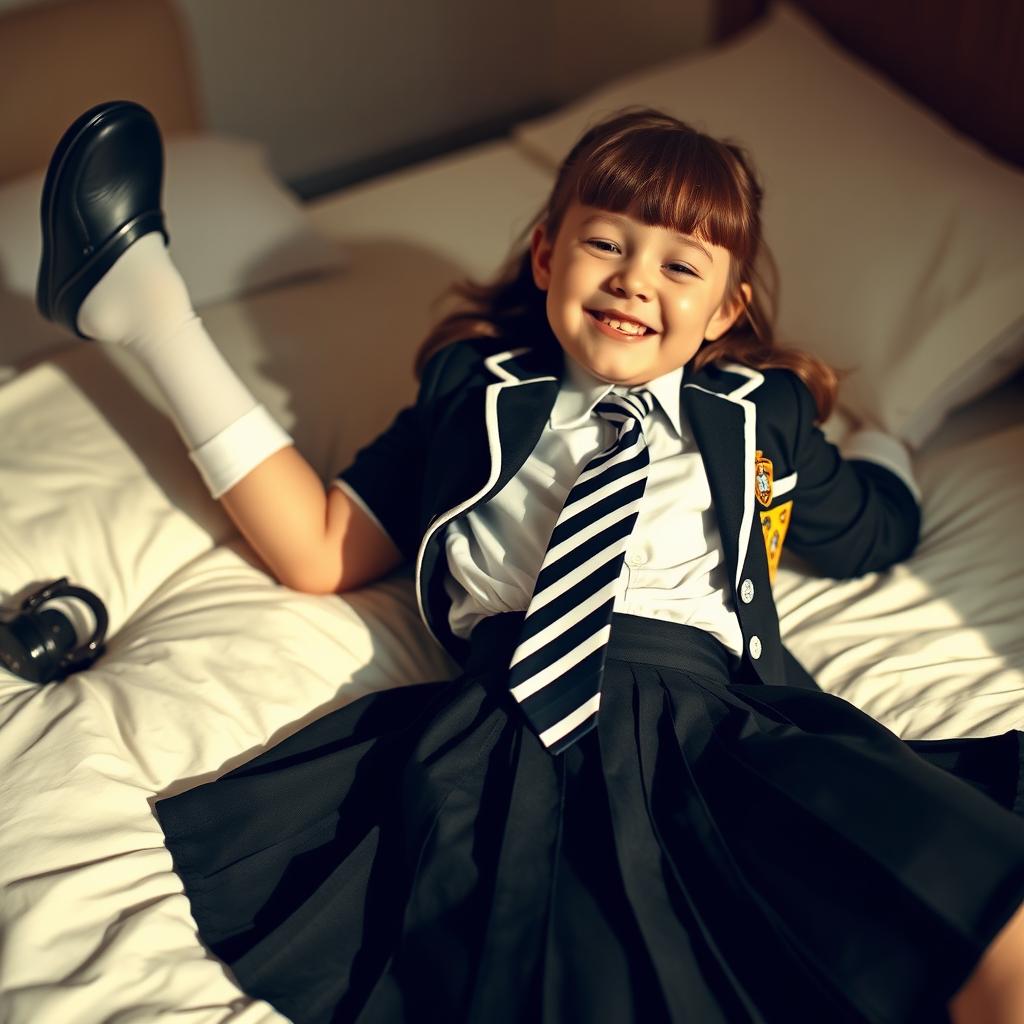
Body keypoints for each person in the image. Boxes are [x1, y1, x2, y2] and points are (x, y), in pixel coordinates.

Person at [37, 101, 1024, 1024]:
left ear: (727, 311)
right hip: (515, 732)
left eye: (683, 266)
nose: (637, 278)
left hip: (729, 726)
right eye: (606, 242)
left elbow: (868, 533)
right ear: (548, 255)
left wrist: (888, 438)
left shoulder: (758, 413)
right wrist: (164, 328)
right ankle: (136, 294)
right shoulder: (474, 391)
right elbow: (321, 546)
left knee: (975, 916)